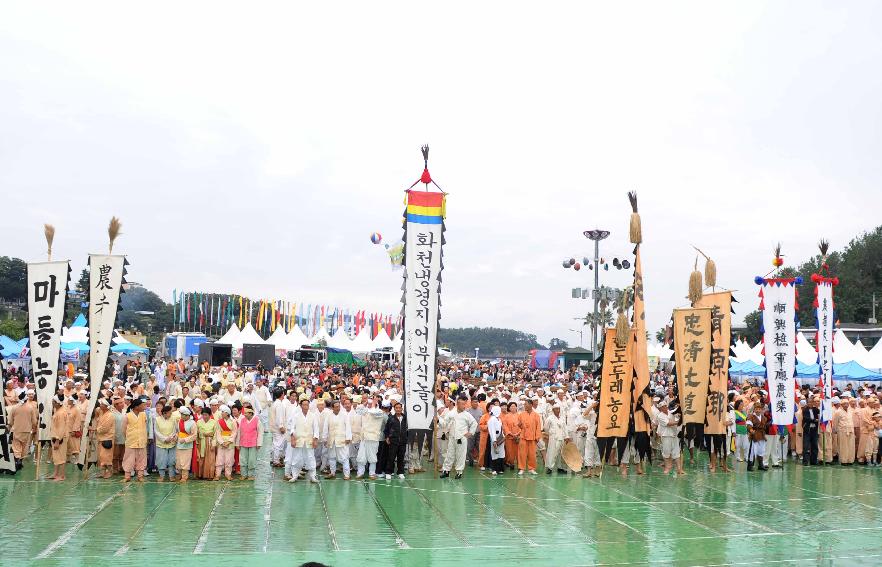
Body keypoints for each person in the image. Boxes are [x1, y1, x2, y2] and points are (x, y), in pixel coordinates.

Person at [439, 396, 477, 479]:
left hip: (461, 438)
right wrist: (438, 420)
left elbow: (474, 423)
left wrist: (470, 433)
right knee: (449, 455)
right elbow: (444, 423)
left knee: (461, 456)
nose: (464, 406)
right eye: (462, 404)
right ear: (458, 404)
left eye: (465, 404)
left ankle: (459, 472)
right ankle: (446, 471)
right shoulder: (451, 413)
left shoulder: (467, 415)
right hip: (452, 437)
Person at [287, 398, 319, 483]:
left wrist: (315, 439)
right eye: (304, 405)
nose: (306, 406)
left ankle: (313, 476)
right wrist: (293, 439)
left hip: (309, 440)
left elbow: (316, 429)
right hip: (299, 439)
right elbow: (292, 428)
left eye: (307, 405)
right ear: (301, 406)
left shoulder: (313, 416)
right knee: (297, 458)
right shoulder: (296, 416)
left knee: (310, 457)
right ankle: (295, 475)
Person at [356, 397, 385, 479]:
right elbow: (358, 410)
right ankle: (360, 473)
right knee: (361, 456)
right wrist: (364, 404)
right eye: (368, 403)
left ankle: (372, 473)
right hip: (364, 438)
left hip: (373, 438)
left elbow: (373, 412)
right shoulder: (366, 411)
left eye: (370, 403)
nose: (369, 405)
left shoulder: (379, 412)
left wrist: (373, 404)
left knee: (372, 456)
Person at [323, 400, 352, 480]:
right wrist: (325, 439)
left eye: (338, 406)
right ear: (332, 408)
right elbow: (326, 428)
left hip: (342, 439)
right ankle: (332, 473)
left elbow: (348, 427)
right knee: (331, 457)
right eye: (336, 407)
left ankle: (347, 474)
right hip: (332, 439)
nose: (337, 408)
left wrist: (348, 438)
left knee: (344, 458)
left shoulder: (344, 415)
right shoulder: (328, 416)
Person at [8, 391, 37, 470]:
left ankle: (17, 460)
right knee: (25, 447)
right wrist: (34, 428)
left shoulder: (14, 407)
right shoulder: (30, 408)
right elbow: (34, 421)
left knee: (16, 446)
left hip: (17, 430)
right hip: (27, 430)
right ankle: (20, 460)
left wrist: (10, 426)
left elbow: (10, 421)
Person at [122, 397, 149, 482]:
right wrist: (129, 437)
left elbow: (146, 426)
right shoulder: (127, 416)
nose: (144, 407)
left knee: (142, 459)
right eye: (142, 405)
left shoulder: (143, 415)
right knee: (129, 459)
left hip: (142, 440)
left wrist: (146, 437)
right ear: (137, 407)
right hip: (131, 441)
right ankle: (127, 476)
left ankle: (140, 476)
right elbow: (123, 429)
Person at [517, 398, 541, 475]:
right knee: (522, 454)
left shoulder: (536, 415)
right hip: (523, 437)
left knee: (532, 454)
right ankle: (522, 468)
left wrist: (537, 436)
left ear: (531, 405)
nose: (524, 406)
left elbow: (538, 427)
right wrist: (520, 425)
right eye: (524, 404)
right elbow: (519, 426)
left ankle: (532, 468)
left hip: (532, 437)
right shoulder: (521, 414)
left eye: (526, 404)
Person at [383, 402, 408, 479]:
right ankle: (389, 472)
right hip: (393, 441)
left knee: (401, 457)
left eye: (399, 408)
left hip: (403, 441)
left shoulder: (405, 418)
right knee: (391, 457)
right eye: (396, 408)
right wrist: (387, 437)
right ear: (394, 409)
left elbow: (408, 429)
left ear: (401, 409)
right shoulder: (391, 418)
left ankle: (400, 472)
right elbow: (386, 429)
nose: (398, 409)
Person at [153, 403, 177, 481]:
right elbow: (156, 431)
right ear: (164, 413)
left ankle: (172, 476)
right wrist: (164, 439)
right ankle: (161, 476)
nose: (171, 414)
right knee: (161, 460)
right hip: (161, 443)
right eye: (169, 412)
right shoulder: (157, 419)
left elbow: (175, 430)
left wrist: (170, 438)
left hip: (171, 442)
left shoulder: (173, 419)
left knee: (172, 460)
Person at [238, 405, 263, 480]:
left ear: (251, 413)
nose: (245, 415)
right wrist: (237, 443)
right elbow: (239, 432)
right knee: (243, 459)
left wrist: (259, 443)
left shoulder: (257, 420)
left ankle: (251, 475)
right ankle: (243, 474)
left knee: (252, 459)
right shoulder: (242, 420)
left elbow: (260, 432)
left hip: (253, 443)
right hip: (243, 442)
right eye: (244, 413)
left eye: (246, 413)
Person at [543, 403, 568, 474]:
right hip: (554, 438)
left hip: (562, 437)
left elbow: (565, 428)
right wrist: (551, 433)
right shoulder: (549, 418)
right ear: (553, 410)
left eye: (559, 409)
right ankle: (549, 467)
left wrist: (566, 436)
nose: (558, 410)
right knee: (552, 453)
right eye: (556, 409)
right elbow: (546, 428)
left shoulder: (562, 418)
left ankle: (560, 467)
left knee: (561, 453)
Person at [215, 405, 238, 480]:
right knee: (219, 458)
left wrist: (229, 441)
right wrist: (221, 442)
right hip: (221, 442)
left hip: (229, 443)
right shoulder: (219, 422)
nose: (221, 413)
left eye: (223, 412)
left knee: (229, 459)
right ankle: (217, 475)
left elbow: (234, 432)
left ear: (227, 413)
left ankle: (228, 474)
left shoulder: (233, 421)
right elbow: (218, 433)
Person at [95, 398, 117, 479]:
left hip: (107, 437)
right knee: (101, 456)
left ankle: (110, 471)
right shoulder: (101, 412)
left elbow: (105, 428)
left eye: (102, 404)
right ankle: (103, 472)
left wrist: (95, 429)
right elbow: (96, 409)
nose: (100, 406)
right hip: (101, 438)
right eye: (100, 404)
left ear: (107, 406)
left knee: (107, 457)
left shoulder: (110, 415)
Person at [49, 394, 68, 481]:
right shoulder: (58, 410)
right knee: (56, 456)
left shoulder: (61, 413)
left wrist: (57, 440)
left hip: (60, 437)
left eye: (53, 401)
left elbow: (61, 427)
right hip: (56, 436)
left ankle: (62, 475)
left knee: (61, 456)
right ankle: (55, 473)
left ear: (57, 403)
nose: (52, 402)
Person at [175, 408, 197, 482]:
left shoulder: (192, 423)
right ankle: (180, 474)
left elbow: (194, 435)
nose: (181, 416)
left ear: (187, 415)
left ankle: (184, 476)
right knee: (178, 461)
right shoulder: (179, 421)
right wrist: (175, 437)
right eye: (181, 414)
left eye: (183, 415)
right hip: (179, 443)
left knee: (185, 461)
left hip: (187, 445)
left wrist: (185, 440)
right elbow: (178, 432)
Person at [196, 408, 218, 479]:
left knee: (210, 459)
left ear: (210, 415)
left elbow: (215, 434)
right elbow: (197, 433)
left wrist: (213, 444)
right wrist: (197, 442)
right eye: (203, 415)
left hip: (210, 441)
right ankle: (200, 474)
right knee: (201, 458)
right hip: (201, 441)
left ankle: (210, 475)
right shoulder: (198, 422)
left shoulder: (214, 422)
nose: (204, 416)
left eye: (206, 415)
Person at [832, 397, 855, 465]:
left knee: (850, 446)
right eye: (844, 404)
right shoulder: (838, 412)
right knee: (843, 446)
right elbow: (835, 422)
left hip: (850, 430)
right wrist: (835, 430)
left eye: (847, 403)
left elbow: (851, 421)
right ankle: (843, 460)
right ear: (841, 405)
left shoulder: (850, 411)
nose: (846, 405)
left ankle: (850, 460)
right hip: (842, 431)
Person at [747, 402, 769, 471]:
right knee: (753, 451)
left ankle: (760, 465)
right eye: (756, 409)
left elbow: (765, 426)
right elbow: (748, 424)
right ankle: (750, 465)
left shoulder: (764, 418)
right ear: (754, 409)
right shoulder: (751, 416)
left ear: (761, 410)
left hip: (762, 435)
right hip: (754, 435)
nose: (758, 410)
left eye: (759, 409)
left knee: (761, 450)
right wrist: (750, 430)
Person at [486, 404, 505, 475]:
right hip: (495, 438)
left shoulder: (499, 419)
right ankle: (494, 469)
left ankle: (500, 469)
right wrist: (494, 440)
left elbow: (501, 429)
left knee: (501, 453)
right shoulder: (492, 419)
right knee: (494, 453)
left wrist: (503, 437)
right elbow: (492, 431)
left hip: (500, 438)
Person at [501, 401, 520, 470]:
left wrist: (517, 434)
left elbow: (522, 426)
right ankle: (511, 463)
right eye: (511, 406)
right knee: (510, 452)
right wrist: (510, 433)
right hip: (509, 437)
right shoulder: (506, 416)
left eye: (514, 406)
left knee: (518, 452)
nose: (513, 407)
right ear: (509, 408)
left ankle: (519, 465)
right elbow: (505, 426)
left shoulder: (519, 415)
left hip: (518, 437)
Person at [802, 397, 820, 466]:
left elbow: (819, 417)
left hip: (814, 430)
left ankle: (814, 461)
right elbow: (806, 418)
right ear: (807, 403)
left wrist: (817, 419)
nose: (810, 403)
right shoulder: (804, 410)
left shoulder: (816, 410)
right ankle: (805, 461)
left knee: (815, 446)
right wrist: (814, 420)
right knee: (806, 446)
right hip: (807, 430)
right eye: (808, 402)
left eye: (811, 402)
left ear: (813, 403)